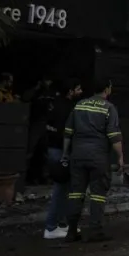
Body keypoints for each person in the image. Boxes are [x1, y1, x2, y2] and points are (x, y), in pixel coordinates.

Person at [62, 79, 123, 242]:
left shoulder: (79, 105)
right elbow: (114, 136)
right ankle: (95, 231)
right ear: (107, 89)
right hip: (98, 157)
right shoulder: (109, 108)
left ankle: (71, 232)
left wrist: (65, 153)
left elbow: (68, 132)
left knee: (75, 193)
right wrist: (121, 157)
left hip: (77, 155)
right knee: (98, 194)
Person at [43, 79, 82, 240]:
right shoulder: (67, 108)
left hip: (52, 150)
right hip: (61, 152)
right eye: (78, 89)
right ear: (70, 91)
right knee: (61, 191)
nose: (80, 92)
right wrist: (68, 154)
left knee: (65, 189)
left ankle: (61, 225)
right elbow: (66, 134)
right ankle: (51, 227)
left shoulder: (54, 104)